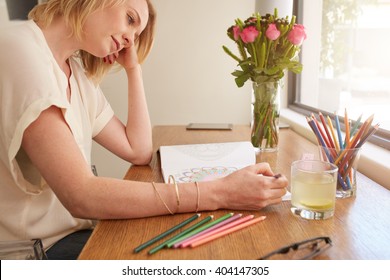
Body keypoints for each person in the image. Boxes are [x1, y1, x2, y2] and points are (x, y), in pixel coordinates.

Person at [0, 0, 288, 259]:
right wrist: (220, 192)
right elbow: (81, 195)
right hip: (37, 252)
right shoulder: (20, 50)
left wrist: (133, 69)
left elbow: (137, 150)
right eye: (129, 19)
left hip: (76, 235)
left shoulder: (74, 74)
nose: (129, 40)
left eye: (136, 36)